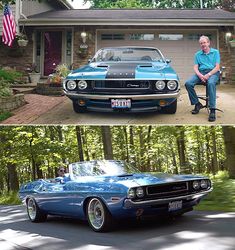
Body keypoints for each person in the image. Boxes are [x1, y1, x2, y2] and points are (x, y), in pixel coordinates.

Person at [185, 35, 220, 122]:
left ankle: (212, 110)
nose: (203, 44)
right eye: (201, 43)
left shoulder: (215, 52)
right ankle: (197, 104)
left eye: (204, 42)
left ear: (208, 43)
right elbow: (195, 67)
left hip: (213, 72)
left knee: (211, 83)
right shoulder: (197, 54)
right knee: (188, 83)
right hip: (201, 73)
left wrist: (208, 75)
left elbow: (217, 67)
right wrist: (200, 75)